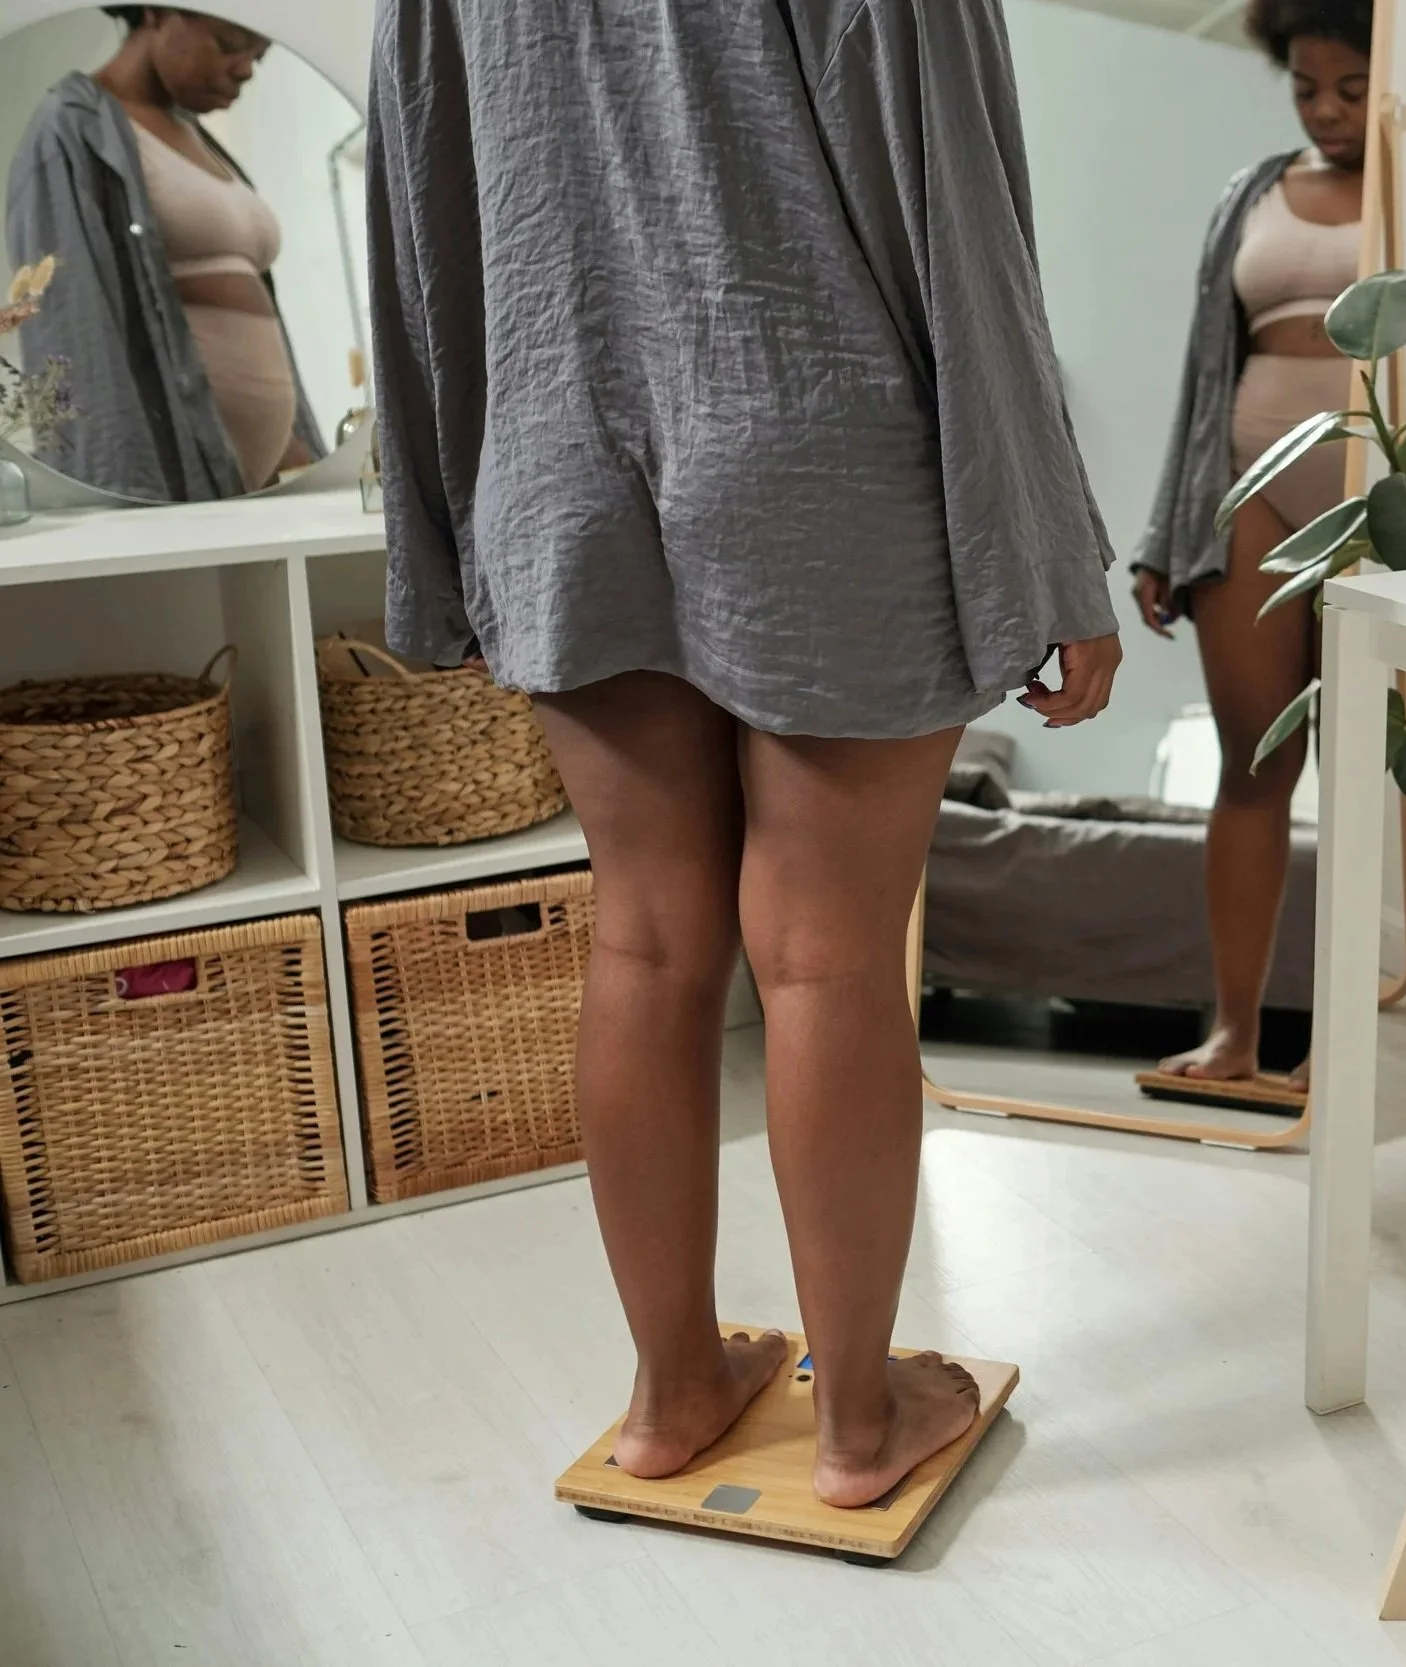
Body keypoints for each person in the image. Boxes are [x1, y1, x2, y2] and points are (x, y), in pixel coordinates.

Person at [366, 0, 1122, 1504]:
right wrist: (1047, 553)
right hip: (818, 439)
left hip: (555, 451)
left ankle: (670, 1395)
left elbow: (423, 219)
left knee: (643, 940)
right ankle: (858, 1422)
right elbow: (951, 206)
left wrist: (441, 542)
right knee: (826, 956)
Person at [1131, 0, 1372, 1091]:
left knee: (1365, 774)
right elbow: (1202, 373)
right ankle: (1234, 1035)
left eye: (1350, 90)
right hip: (1247, 491)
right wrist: (1163, 534)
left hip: (1379, 501)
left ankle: (1346, 1049)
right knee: (1255, 762)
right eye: (1305, 89)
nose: (1325, 112)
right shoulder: (1251, 194)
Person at [5, 6, 323, 500]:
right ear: (157, 12)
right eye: (229, 43)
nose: (245, 70)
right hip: (170, 480)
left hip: (267, 473)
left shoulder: (197, 136)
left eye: (258, 57)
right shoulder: (70, 129)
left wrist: (292, 436)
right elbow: (73, 335)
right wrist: (120, 497)